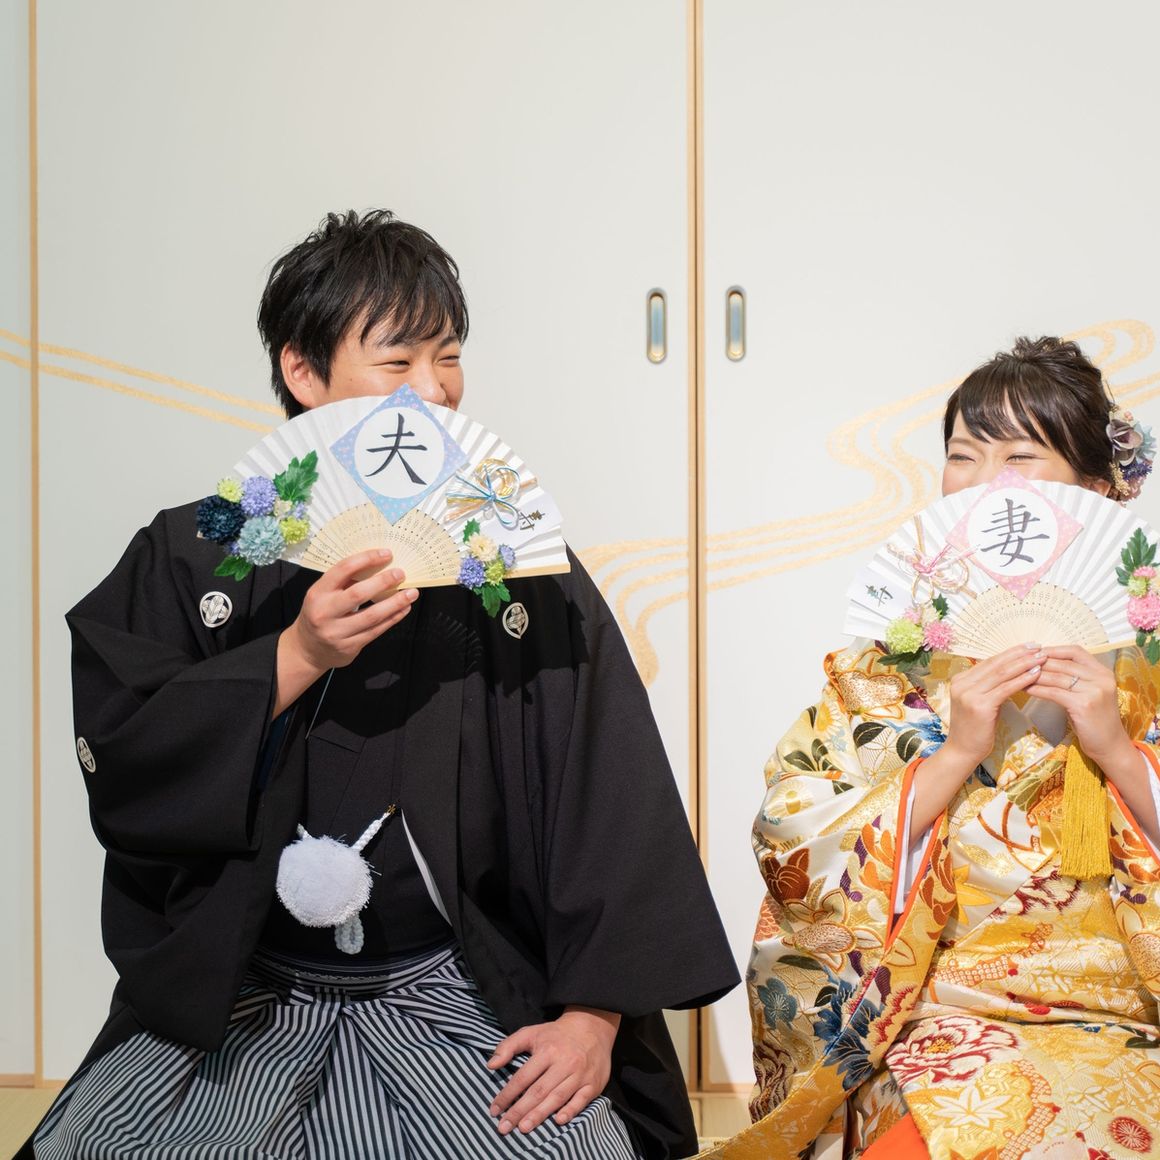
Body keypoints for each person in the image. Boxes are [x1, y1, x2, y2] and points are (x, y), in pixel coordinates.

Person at [25, 209, 738, 1160]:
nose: (435, 389)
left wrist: (593, 1018)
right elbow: (128, 767)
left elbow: (610, 797)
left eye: (449, 358)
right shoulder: (192, 558)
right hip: (247, 993)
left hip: (459, 993)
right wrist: (294, 655)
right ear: (303, 371)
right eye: (398, 360)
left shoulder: (514, 568)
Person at [733, 338, 1160, 1158]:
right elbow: (792, 833)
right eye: (964, 455)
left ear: (1097, 490)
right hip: (937, 1021)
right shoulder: (886, 669)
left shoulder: (1148, 661)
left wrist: (1117, 751)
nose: (984, 482)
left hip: (1128, 1014)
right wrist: (956, 752)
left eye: (1020, 457)